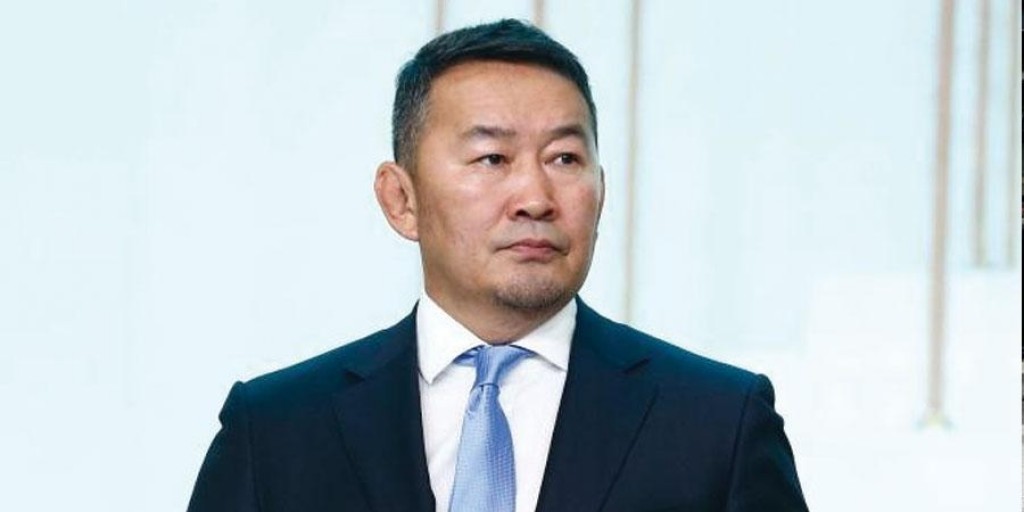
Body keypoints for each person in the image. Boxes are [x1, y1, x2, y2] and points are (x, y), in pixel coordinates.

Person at [187, 19, 808, 512]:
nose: (535, 198)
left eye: (564, 159)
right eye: (492, 158)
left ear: (601, 193)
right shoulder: (276, 429)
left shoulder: (717, 422)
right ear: (401, 199)